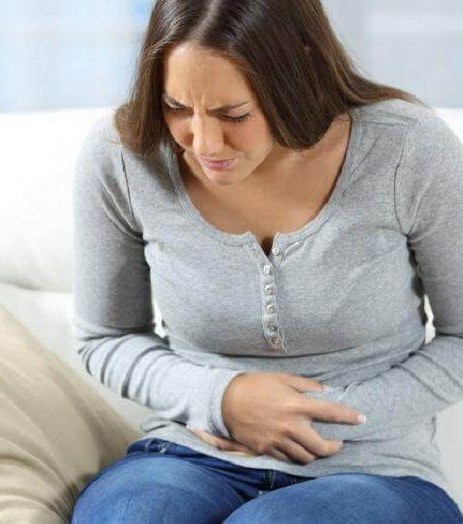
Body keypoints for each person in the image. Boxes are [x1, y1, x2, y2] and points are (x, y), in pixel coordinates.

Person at [70, 0, 463, 522]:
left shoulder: (407, 148)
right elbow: (107, 337)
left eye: (233, 115)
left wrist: (307, 419)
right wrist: (222, 401)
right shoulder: (122, 156)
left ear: (298, 70)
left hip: (375, 470)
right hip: (188, 455)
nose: (203, 143)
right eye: (176, 107)